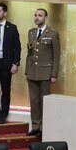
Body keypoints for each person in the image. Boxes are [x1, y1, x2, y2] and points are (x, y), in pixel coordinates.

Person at [25, 8, 59, 136]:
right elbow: (29, 54)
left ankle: (44, 128)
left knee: (44, 101)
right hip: (32, 72)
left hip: (45, 72)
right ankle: (35, 126)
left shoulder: (52, 34)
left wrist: (54, 74)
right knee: (34, 101)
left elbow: (56, 56)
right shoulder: (31, 33)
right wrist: (26, 71)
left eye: (40, 15)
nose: (37, 17)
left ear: (45, 17)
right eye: (35, 15)